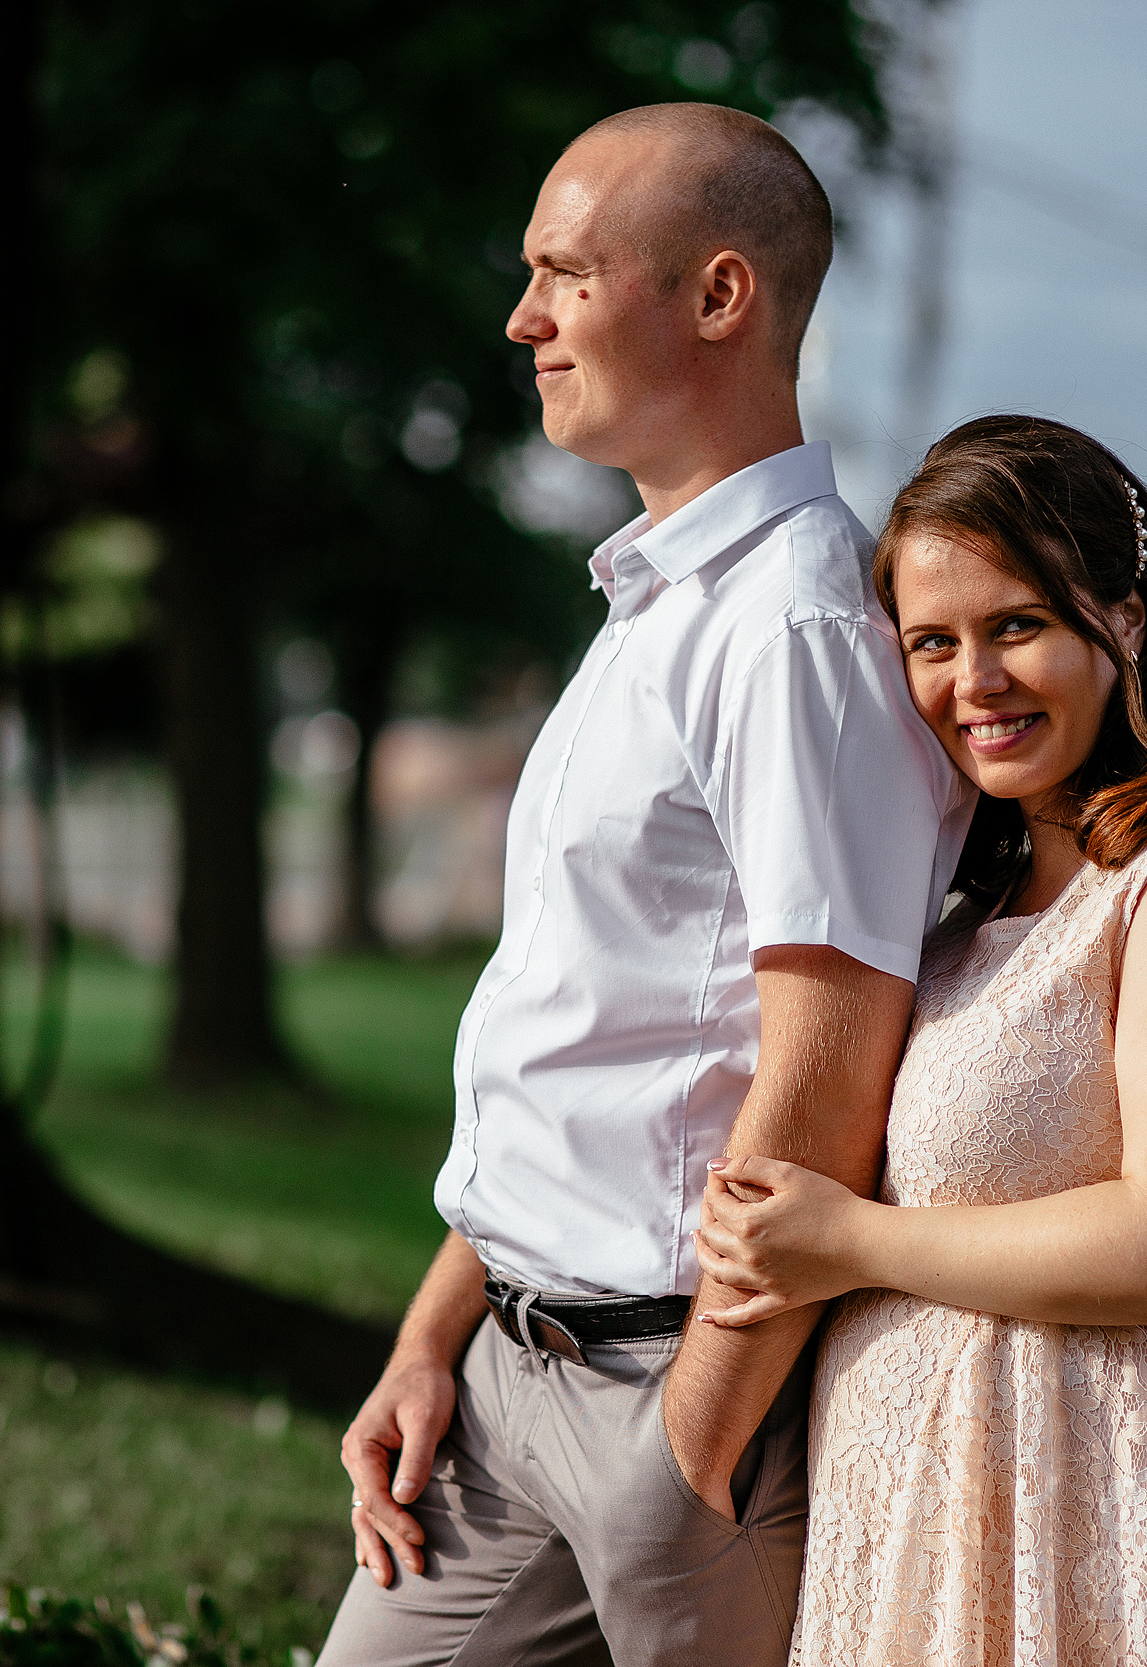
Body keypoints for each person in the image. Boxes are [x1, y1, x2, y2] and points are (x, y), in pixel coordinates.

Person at [318, 104, 971, 1667]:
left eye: (564, 272)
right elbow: (580, 1027)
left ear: (720, 295)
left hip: (674, 1400)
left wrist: (698, 1438)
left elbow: (830, 1059)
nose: (521, 316)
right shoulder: (656, 602)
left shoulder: (793, 632)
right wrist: (432, 1333)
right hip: (499, 1380)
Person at [693, 415, 1147, 1665]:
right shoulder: (976, 909)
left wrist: (848, 1240)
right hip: (939, 1521)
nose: (971, 681)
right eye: (932, 642)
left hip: (1130, 1510)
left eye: (1015, 625)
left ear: (1123, 622)